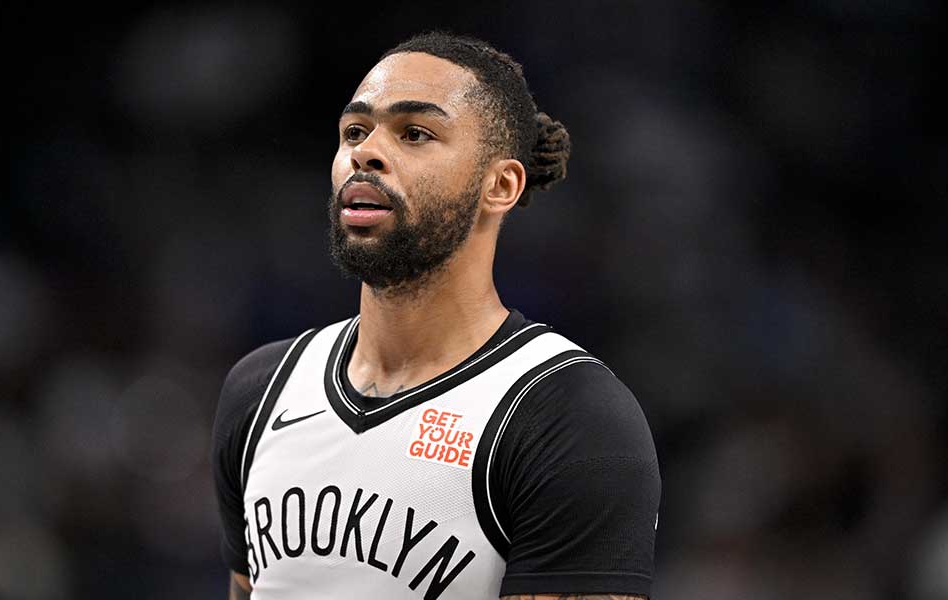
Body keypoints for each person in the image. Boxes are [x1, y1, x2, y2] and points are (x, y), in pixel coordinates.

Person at [211, 32, 660, 600]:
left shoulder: (570, 419)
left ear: (500, 185)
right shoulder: (259, 390)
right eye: (355, 131)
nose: (365, 152)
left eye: (415, 133)